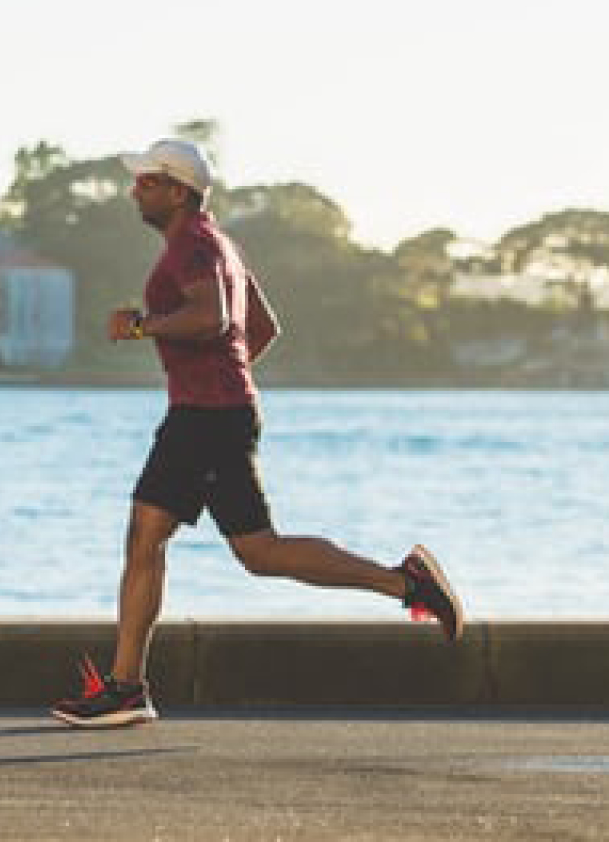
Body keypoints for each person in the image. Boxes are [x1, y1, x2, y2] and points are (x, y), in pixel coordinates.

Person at [50, 139, 463, 729]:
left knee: (152, 538)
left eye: (145, 180)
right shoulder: (218, 244)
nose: (133, 189)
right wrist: (225, 377)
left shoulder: (193, 244)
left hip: (205, 418)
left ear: (177, 190)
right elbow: (261, 327)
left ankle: (126, 688)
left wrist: (143, 326)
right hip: (216, 412)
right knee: (251, 550)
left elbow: (215, 318)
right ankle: (405, 583)